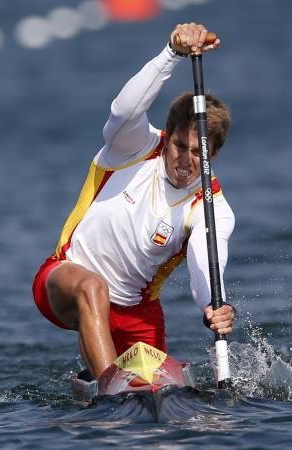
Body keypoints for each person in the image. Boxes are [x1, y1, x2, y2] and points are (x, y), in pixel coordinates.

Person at [32, 23, 236, 379]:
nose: (185, 161)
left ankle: (102, 376)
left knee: (165, 399)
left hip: (136, 311)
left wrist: (212, 306)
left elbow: (206, 260)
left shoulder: (211, 206)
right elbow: (123, 111)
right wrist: (171, 54)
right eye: (178, 146)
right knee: (93, 288)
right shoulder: (133, 147)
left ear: (212, 155)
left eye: (196, 151)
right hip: (64, 279)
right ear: (166, 135)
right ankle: (109, 388)